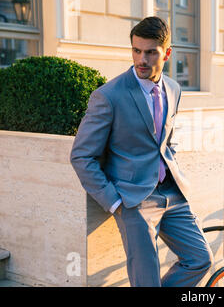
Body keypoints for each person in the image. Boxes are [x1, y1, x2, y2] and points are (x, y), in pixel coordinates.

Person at [70, 16, 213, 287]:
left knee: (200, 258)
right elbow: (81, 156)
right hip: (134, 201)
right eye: (136, 51)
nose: (142, 59)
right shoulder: (109, 95)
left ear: (167, 53)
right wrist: (115, 203)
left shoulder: (173, 88)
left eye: (150, 52)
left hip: (172, 192)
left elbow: (165, 141)